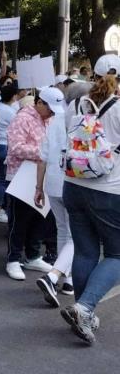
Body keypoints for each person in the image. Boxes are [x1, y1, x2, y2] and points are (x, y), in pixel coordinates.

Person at [60, 56, 120, 345]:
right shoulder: (119, 108)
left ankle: (82, 310)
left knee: (85, 252)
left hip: (73, 184)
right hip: (109, 191)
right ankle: (84, 307)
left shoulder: (74, 105)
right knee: (117, 255)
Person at [4, 89, 60, 280]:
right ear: (39, 102)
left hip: (43, 174)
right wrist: (45, 152)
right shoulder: (23, 118)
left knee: (41, 217)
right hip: (21, 175)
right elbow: (16, 147)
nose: (52, 112)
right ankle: (13, 258)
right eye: (50, 108)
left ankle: (33, 255)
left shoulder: (51, 119)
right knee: (20, 220)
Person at [34, 87, 74, 306]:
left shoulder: (52, 123)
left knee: (62, 231)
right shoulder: (79, 120)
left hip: (52, 183)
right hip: (72, 183)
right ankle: (58, 277)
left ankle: (65, 279)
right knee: (75, 235)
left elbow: (42, 159)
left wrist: (38, 188)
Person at [0, 85, 19, 223]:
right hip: (6, 144)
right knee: (5, 179)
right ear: (13, 96)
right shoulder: (11, 112)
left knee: (2, 178)